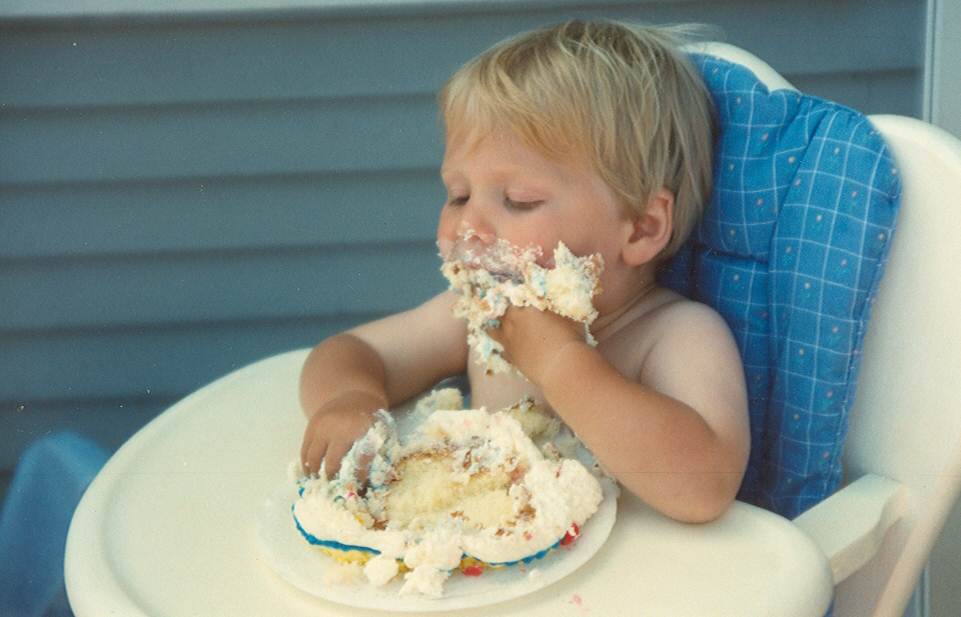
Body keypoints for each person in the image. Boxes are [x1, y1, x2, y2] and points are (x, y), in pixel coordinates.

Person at [299, 19, 749, 524]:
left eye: (518, 200)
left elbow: (706, 489)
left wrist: (560, 361)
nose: (469, 225)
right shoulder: (481, 321)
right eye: (459, 195)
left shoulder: (675, 336)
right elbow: (350, 352)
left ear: (642, 228)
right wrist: (349, 398)